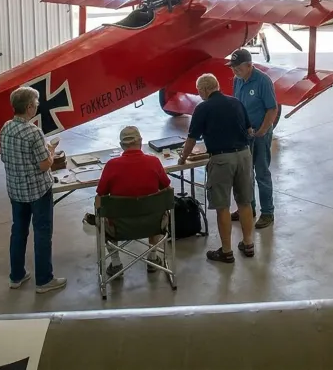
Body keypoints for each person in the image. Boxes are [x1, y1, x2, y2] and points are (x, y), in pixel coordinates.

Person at [179, 73, 255, 264]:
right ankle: (248, 244)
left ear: (204, 90)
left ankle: (227, 251)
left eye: (199, 91)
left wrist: (183, 158)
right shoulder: (236, 102)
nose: (199, 95)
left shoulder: (202, 108)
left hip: (221, 159)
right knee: (245, 203)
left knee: (222, 206)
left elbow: (192, 138)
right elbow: (249, 130)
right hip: (244, 156)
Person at [0, 86, 66, 294]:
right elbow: (44, 165)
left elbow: (5, 156)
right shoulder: (34, 132)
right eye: (35, 105)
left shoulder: (6, 128)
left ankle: (16, 276)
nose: (36, 107)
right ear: (28, 107)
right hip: (37, 190)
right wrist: (51, 152)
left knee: (18, 231)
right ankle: (44, 280)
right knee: (42, 233)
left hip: (15, 189)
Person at [88, 125, 171, 275]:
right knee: (155, 208)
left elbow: (100, 196)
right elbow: (167, 189)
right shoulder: (154, 162)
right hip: (153, 224)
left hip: (119, 228)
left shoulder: (111, 166)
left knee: (103, 211)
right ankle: (152, 258)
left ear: (121, 146)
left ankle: (116, 263)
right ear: (141, 141)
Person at [228, 48, 277, 229]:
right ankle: (249, 208)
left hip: (260, 134)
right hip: (244, 134)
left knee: (261, 172)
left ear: (249, 65)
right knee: (245, 175)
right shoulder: (237, 81)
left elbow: (272, 109)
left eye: (238, 68)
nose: (235, 71)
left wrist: (262, 132)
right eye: (232, 68)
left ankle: (267, 212)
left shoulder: (263, 81)